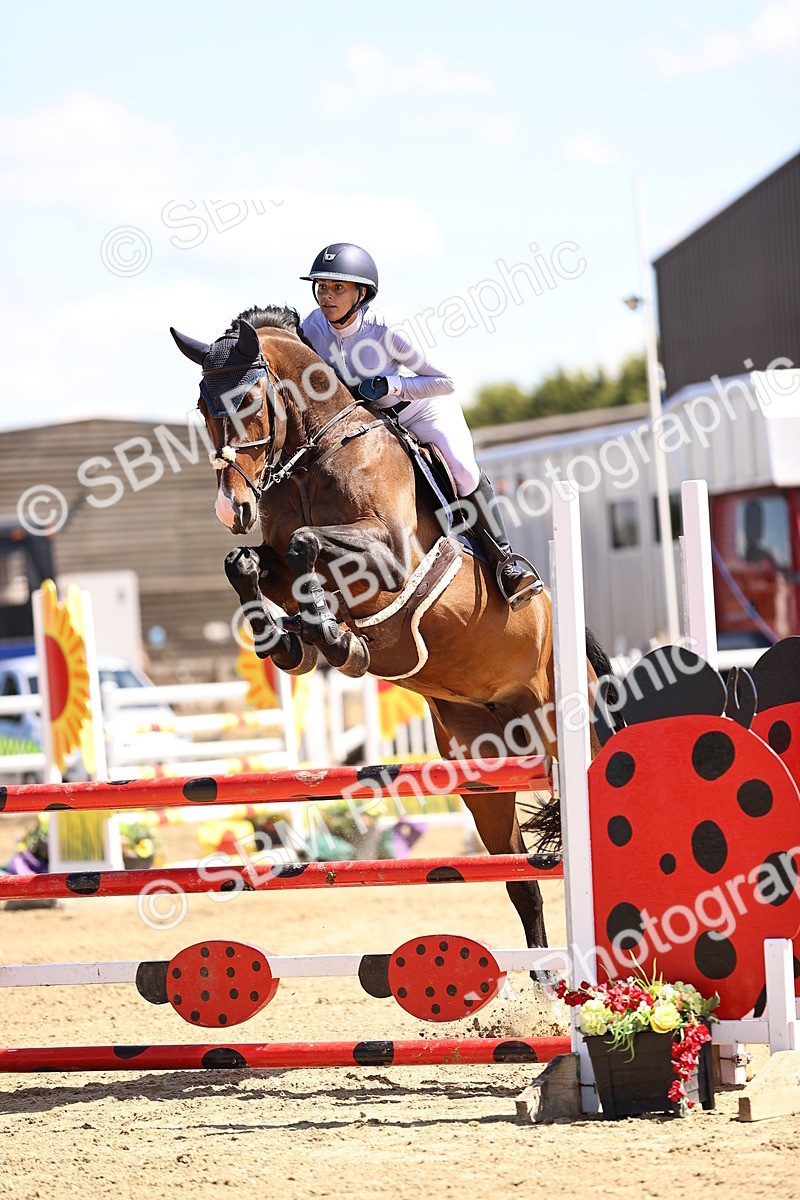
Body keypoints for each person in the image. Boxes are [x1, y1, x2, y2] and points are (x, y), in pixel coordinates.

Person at [299, 242, 542, 610]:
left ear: (361, 293)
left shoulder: (388, 330)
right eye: (322, 287)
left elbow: (444, 381)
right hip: (371, 420)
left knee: (461, 470)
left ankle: (506, 562)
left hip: (421, 409)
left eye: (337, 288)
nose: (326, 296)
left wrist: (391, 385)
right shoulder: (313, 328)